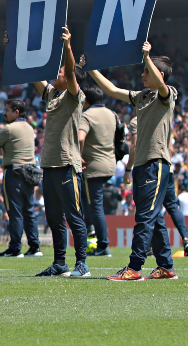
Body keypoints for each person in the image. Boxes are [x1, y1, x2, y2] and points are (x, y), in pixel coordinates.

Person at [91, 43, 180, 281]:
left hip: (155, 162)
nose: (142, 75)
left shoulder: (167, 93)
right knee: (153, 216)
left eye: (146, 72)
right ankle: (166, 267)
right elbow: (111, 90)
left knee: (145, 217)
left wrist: (147, 55)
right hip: (141, 164)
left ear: (158, 75)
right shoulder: (142, 96)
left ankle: (135, 267)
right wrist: (91, 69)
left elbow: (161, 84)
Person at [27, 26, 89, 277]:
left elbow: (72, 72)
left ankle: (81, 263)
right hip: (49, 165)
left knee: (74, 217)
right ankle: (60, 263)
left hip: (67, 164)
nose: (57, 73)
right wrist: (16, 48)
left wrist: (67, 46)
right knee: (54, 218)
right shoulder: (53, 94)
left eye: (61, 71)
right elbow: (33, 75)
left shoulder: (75, 95)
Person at [129, 115, 188, 255]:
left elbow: (134, 145)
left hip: (148, 168)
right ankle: (186, 238)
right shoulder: (164, 118)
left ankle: (149, 246)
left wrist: (128, 168)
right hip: (166, 169)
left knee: (148, 207)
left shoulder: (137, 120)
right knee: (172, 206)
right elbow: (170, 149)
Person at [0, 99, 42, 258]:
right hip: (30, 172)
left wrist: (3, 149)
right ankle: (34, 247)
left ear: (16, 112)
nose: (5, 113)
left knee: (14, 211)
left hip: (14, 173)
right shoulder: (29, 128)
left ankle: (15, 248)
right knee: (28, 210)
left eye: (7, 110)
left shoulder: (8, 129)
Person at [79, 82, 119, 258]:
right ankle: (93, 233)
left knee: (95, 206)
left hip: (92, 165)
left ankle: (103, 244)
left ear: (86, 100)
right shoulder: (112, 114)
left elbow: (81, 137)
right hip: (110, 163)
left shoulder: (87, 115)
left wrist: (78, 156)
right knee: (92, 203)